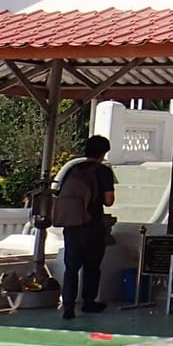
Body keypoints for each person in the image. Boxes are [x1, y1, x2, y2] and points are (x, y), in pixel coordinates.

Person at [52, 135, 116, 320]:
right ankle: (89, 302)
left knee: (71, 267)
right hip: (92, 224)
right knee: (92, 266)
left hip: (71, 225)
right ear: (103, 153)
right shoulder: (102, 171)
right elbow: (109, 201)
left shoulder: (73, 169)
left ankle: (68, 307)